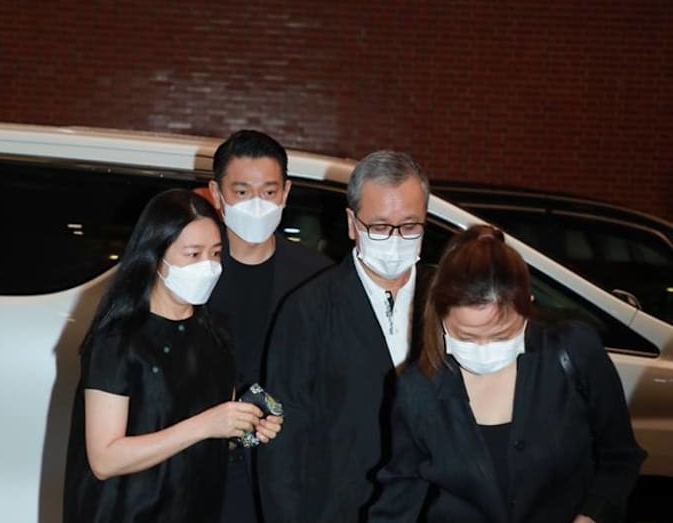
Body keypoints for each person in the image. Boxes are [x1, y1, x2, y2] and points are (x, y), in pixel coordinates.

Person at [368, 224, 646, 523]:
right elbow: (399, 494)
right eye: (467, 337)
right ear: (441, 317)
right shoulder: (418, 389)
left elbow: (620, 457)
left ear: (528, 308)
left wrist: (593, 515)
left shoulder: (573, 352)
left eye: (501, 336)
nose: (484, 348)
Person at [63, 189, 282, 523]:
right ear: (155, 257)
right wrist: (206, 425)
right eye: (193, 254)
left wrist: (245, 426)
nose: (208, 266)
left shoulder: (214, 333)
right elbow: (104, 459)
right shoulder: (119, 339)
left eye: (215, 253)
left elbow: (207, 438)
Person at [258, 150, 433, 523]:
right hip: (340, 509)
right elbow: (284, 442)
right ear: (353, 224)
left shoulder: (447, 300)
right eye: (380, 227)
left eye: (409, 226)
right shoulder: (309, 308)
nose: (396, 240)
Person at [203, 130, 332, 523]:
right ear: (217, 193)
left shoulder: (317, 277)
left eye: (269, 191)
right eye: (242, 192)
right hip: (205, 467)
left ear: (286, 192)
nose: (256, 204)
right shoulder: (193, 270)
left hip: (288, 473)